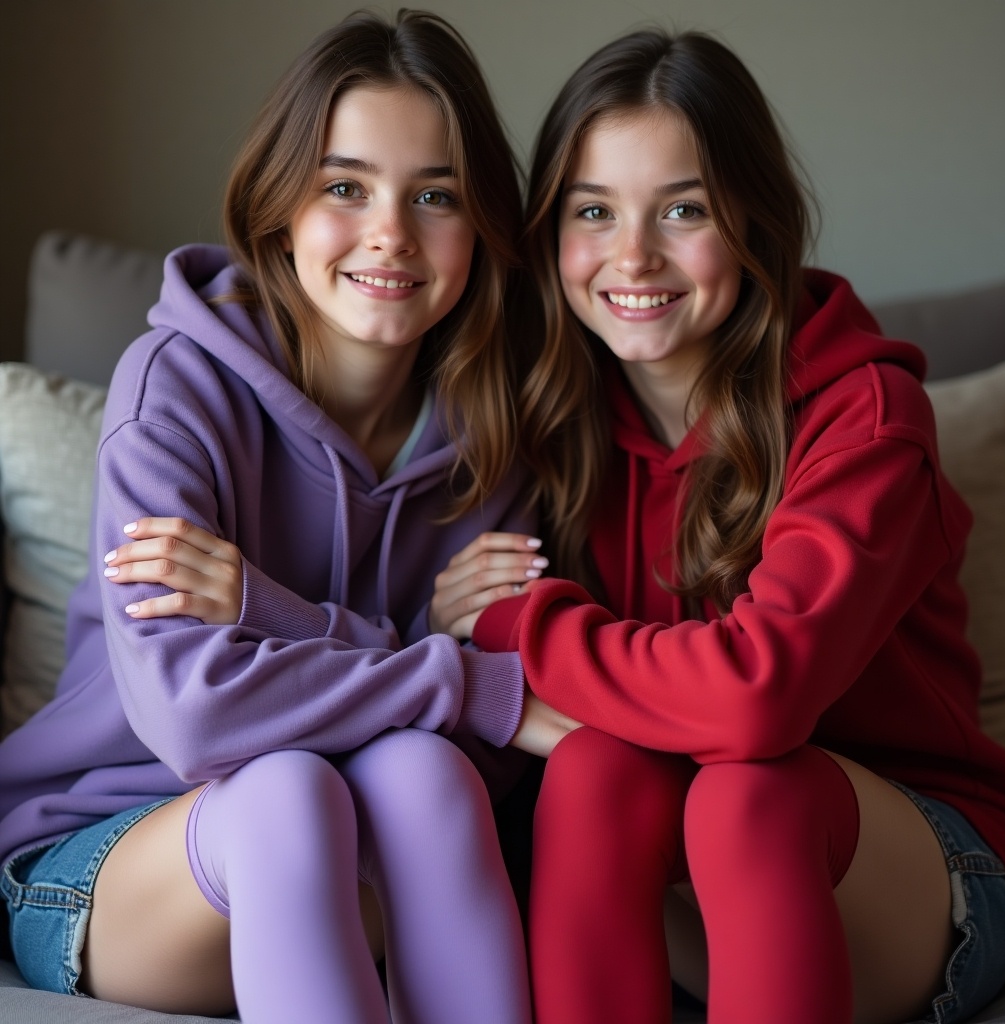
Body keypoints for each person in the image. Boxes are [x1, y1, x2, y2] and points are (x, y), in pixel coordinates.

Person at [0, 10, 563, 1023]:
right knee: (285, 793)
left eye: (433, 195)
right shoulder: (173, 387)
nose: (390, 231)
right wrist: (442, 661)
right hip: (111, 857)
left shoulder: (498, 437)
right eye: (345, 187)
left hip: (361, 858)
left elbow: (490, 758)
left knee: (428, 771)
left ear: (480, 225)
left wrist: (267, 608)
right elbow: (198, 717)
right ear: (280, 211)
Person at [453, 27, 1005, 1024]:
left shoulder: (865, 414)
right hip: (686, 893)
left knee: (748, 787)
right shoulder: (552, 418)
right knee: (594, 769)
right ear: (551, 234)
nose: (632, 255)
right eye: (594, 210)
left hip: (920, 877)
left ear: (753, 221)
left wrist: (517, 627)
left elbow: (757, 700)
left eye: (683, 210)